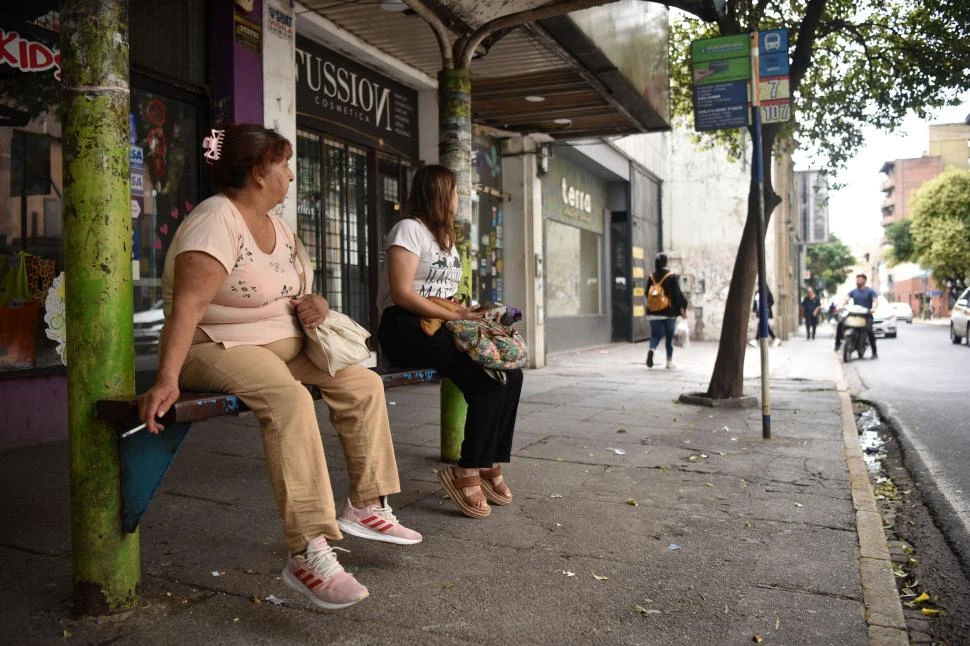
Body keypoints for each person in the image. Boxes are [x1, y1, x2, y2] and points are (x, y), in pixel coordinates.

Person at [138, 124, 421, 612]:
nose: (291, 175)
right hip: (215, 346)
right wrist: (166, 378)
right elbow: (186, 308)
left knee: (361, 382)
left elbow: (296, 291)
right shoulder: (216, 220)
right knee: (288, 400)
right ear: (257, 171)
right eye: (284, 165)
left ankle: (367, 505)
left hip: (284, 344)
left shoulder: (280, 226)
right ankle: (308, 551)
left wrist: (315, 303)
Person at [378, 164, 523, 520]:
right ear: (440, 194)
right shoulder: (408, 230)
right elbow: (401, 293)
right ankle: (466, 470)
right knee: (488, 382)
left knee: (511, 374)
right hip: (407, 328)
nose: (459, 199)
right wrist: (455, 317)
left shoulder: (445, 239)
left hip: (442, 325)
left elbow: (440, 294)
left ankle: (488, 460)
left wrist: (469, 312)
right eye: (456, 192)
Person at [645, 253, 688, 370]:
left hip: (653, 312)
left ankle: (651, 350)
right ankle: (669, 362)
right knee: (669, 337)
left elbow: (646, 294)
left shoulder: (651, 276)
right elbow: (677, 294)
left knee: (655, 335)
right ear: (666, 262)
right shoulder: (671, 276)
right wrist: (682, 308)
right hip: (669, 313)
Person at [835, 273, 879, 359]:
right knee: (841, 323)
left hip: (866, 315)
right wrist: (841, 305)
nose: (857, 281)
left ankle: (874, 352)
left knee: (870, 331)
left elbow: (875, 301)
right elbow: (846, 298)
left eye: (859, 279)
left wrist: (873, 308)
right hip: (855, 314)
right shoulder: (853, 291)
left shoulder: (870, 291)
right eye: (857, 279)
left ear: (864, 281)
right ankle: (837, 344)